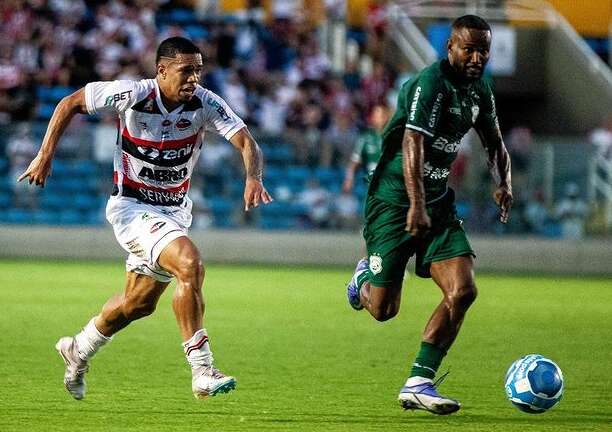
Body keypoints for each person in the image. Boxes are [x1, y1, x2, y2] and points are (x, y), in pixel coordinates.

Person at [19, 37, 273, 400]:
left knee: (137, 304)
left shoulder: (205, 103)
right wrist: (45, 155)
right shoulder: (132, 94)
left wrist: (254, 177)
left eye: (198, 71)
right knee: (189, 262)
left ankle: (78, 348)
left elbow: (246, 140)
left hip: (172, 213)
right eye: (186, 71)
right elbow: (70, 102)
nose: (194, 79)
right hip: (132, 208)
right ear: (162, 71)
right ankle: (202, 370)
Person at [345, 15, 513, 415]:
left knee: (463, 290)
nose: (476, 57)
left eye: (483, 50)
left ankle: (419, 381)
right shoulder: (431, 84)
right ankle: (363, 278)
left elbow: (495, 143)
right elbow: (412, 143)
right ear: (450, 48)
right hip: (393, 200)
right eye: (469, 49)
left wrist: (504, 182)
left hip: (436, 200)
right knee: (384, 310)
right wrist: (415, 205)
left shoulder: (480, 91)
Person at [342, 103, 391, 193]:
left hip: (391, 183)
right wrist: (349, 179)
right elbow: (355, 161)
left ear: (387, 116)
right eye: (375, 115)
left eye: (381, 115)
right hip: (373, 184)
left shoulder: (395, 137)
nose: (378, 118)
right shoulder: (366, 137)